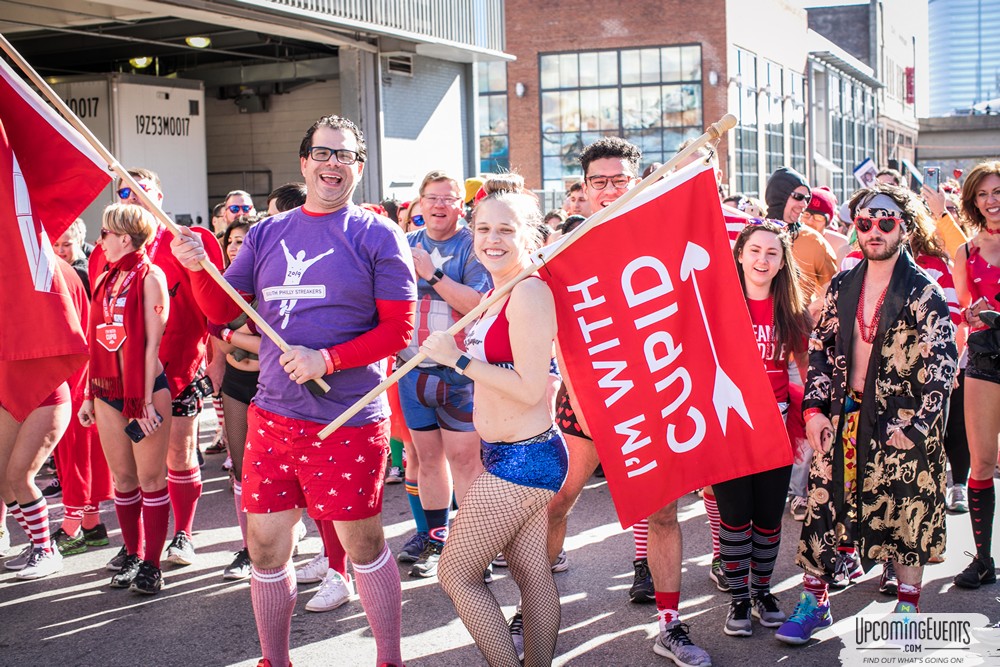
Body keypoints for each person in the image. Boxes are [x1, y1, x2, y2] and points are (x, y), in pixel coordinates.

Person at [170, 114, 415, 667]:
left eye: (345, 155)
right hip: (273, 416)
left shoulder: (378, 234)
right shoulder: (266, 233)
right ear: (304, 163)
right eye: (322, 153)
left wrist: (327, 358)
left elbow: (399, 330)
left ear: (359, 167)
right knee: (264, 548)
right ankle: (274, 660)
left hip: (347, 419)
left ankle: (389, 659)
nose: (333, 164)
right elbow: (224, 309)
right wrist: (197, 270)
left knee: (363, 545)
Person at [545, 136, 712, 667]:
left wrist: (697, 167)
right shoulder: (565, 247)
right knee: (556, 503)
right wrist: (579, 396)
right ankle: (535, 612)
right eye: (599, 182)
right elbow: (557, 333)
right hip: (587, 397)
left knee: (663, 512)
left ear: (638, 181)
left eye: (620, 180)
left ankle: (669, 624)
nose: (610, 189)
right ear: (584, 189)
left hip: (653, 394)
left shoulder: (659, 232)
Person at [776, 184, 958, 645]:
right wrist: (813, 410)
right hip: (844, 416)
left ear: (905, 227)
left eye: (886, 221)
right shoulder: (843, 284)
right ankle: (814, 602)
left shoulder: (924, 291)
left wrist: (918, 426)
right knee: (822, 506)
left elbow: (942, 367)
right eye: (865, 222)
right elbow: (821, 350)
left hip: (901, 423)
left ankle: (907, 609)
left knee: (906, 513)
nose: (874, 229)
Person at [420, 174, 567, 667]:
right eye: (483, 229)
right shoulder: (496, 290)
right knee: (530, 574)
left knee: (455, 574)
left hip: (526, 458)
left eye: (506, 230)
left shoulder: (528, 293)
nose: (492, 240)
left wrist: (457, 359)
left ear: (529, 235)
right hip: (505, 453)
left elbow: (528, 387)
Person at [91, 168, 225, 570]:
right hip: (118, 378)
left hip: (178, 369)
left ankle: (182, 533)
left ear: (160, 197)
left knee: (178, 454)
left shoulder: (189, 240)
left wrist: (216, 360)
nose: (131, 197)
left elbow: (216, 306)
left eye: (140, 189)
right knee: (127, 470)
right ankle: (135, 548)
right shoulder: (104, 251)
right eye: (124, 192)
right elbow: (97, 321)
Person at [395, 170, 491, 578]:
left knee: (465, 462)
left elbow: (477, 304)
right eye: (432, 198)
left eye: (448, 198)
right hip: (411, 370)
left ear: (460, 205)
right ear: (420, 202)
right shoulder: (405, 244)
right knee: (428, 460)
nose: (439, 205)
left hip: (459, 373)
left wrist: (432, 275)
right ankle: (437, 541)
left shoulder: (473, 245)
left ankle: (473, 551)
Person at [717, 220, 810, 637]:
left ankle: (762, 592)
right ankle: (739, 598)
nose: (762, 259)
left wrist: (817, 415)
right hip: (729, 427)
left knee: (769, 519)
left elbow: (806, 370)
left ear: (782, 262)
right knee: (736, 518)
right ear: (740, 255)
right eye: (754, 250)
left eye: (772, 253)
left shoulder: (791, 312)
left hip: (776, 427)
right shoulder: (718, 304)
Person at [79, 203, 172, 594]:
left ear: (125, 237)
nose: (99, 239)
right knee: (123, 478)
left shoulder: (151, 276)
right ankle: (132, 554)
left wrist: (145, 400)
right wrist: (89, 394)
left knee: (151, 479)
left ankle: (152, 564)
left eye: (104, 233)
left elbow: (152, 343)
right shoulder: (104, 276)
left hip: (145, 392)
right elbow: (95, 339)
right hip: (107, 390)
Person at [0, 259, 86, 580]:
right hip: (9, 392)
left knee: (20, 475)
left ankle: (46, 550)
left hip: (46, 394)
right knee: (3, 476)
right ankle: (39, 542)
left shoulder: (39, 281)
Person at [951, 160, 1000, 590]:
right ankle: (983, 560)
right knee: (981, 460)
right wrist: (973, 314)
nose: (991, 200)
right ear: (973, 201)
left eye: (997, 191)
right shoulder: (965, 252)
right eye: (983, 194)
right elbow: (964, 311)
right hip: (984, 358)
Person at [764, 167, 838, 304]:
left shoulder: (814, 240)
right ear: (779, 196)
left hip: (798, 318)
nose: (804, 204)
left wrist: (810, 312)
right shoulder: (752, 235)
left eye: (807, 198)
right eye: (798, 197)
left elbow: (833, 289)